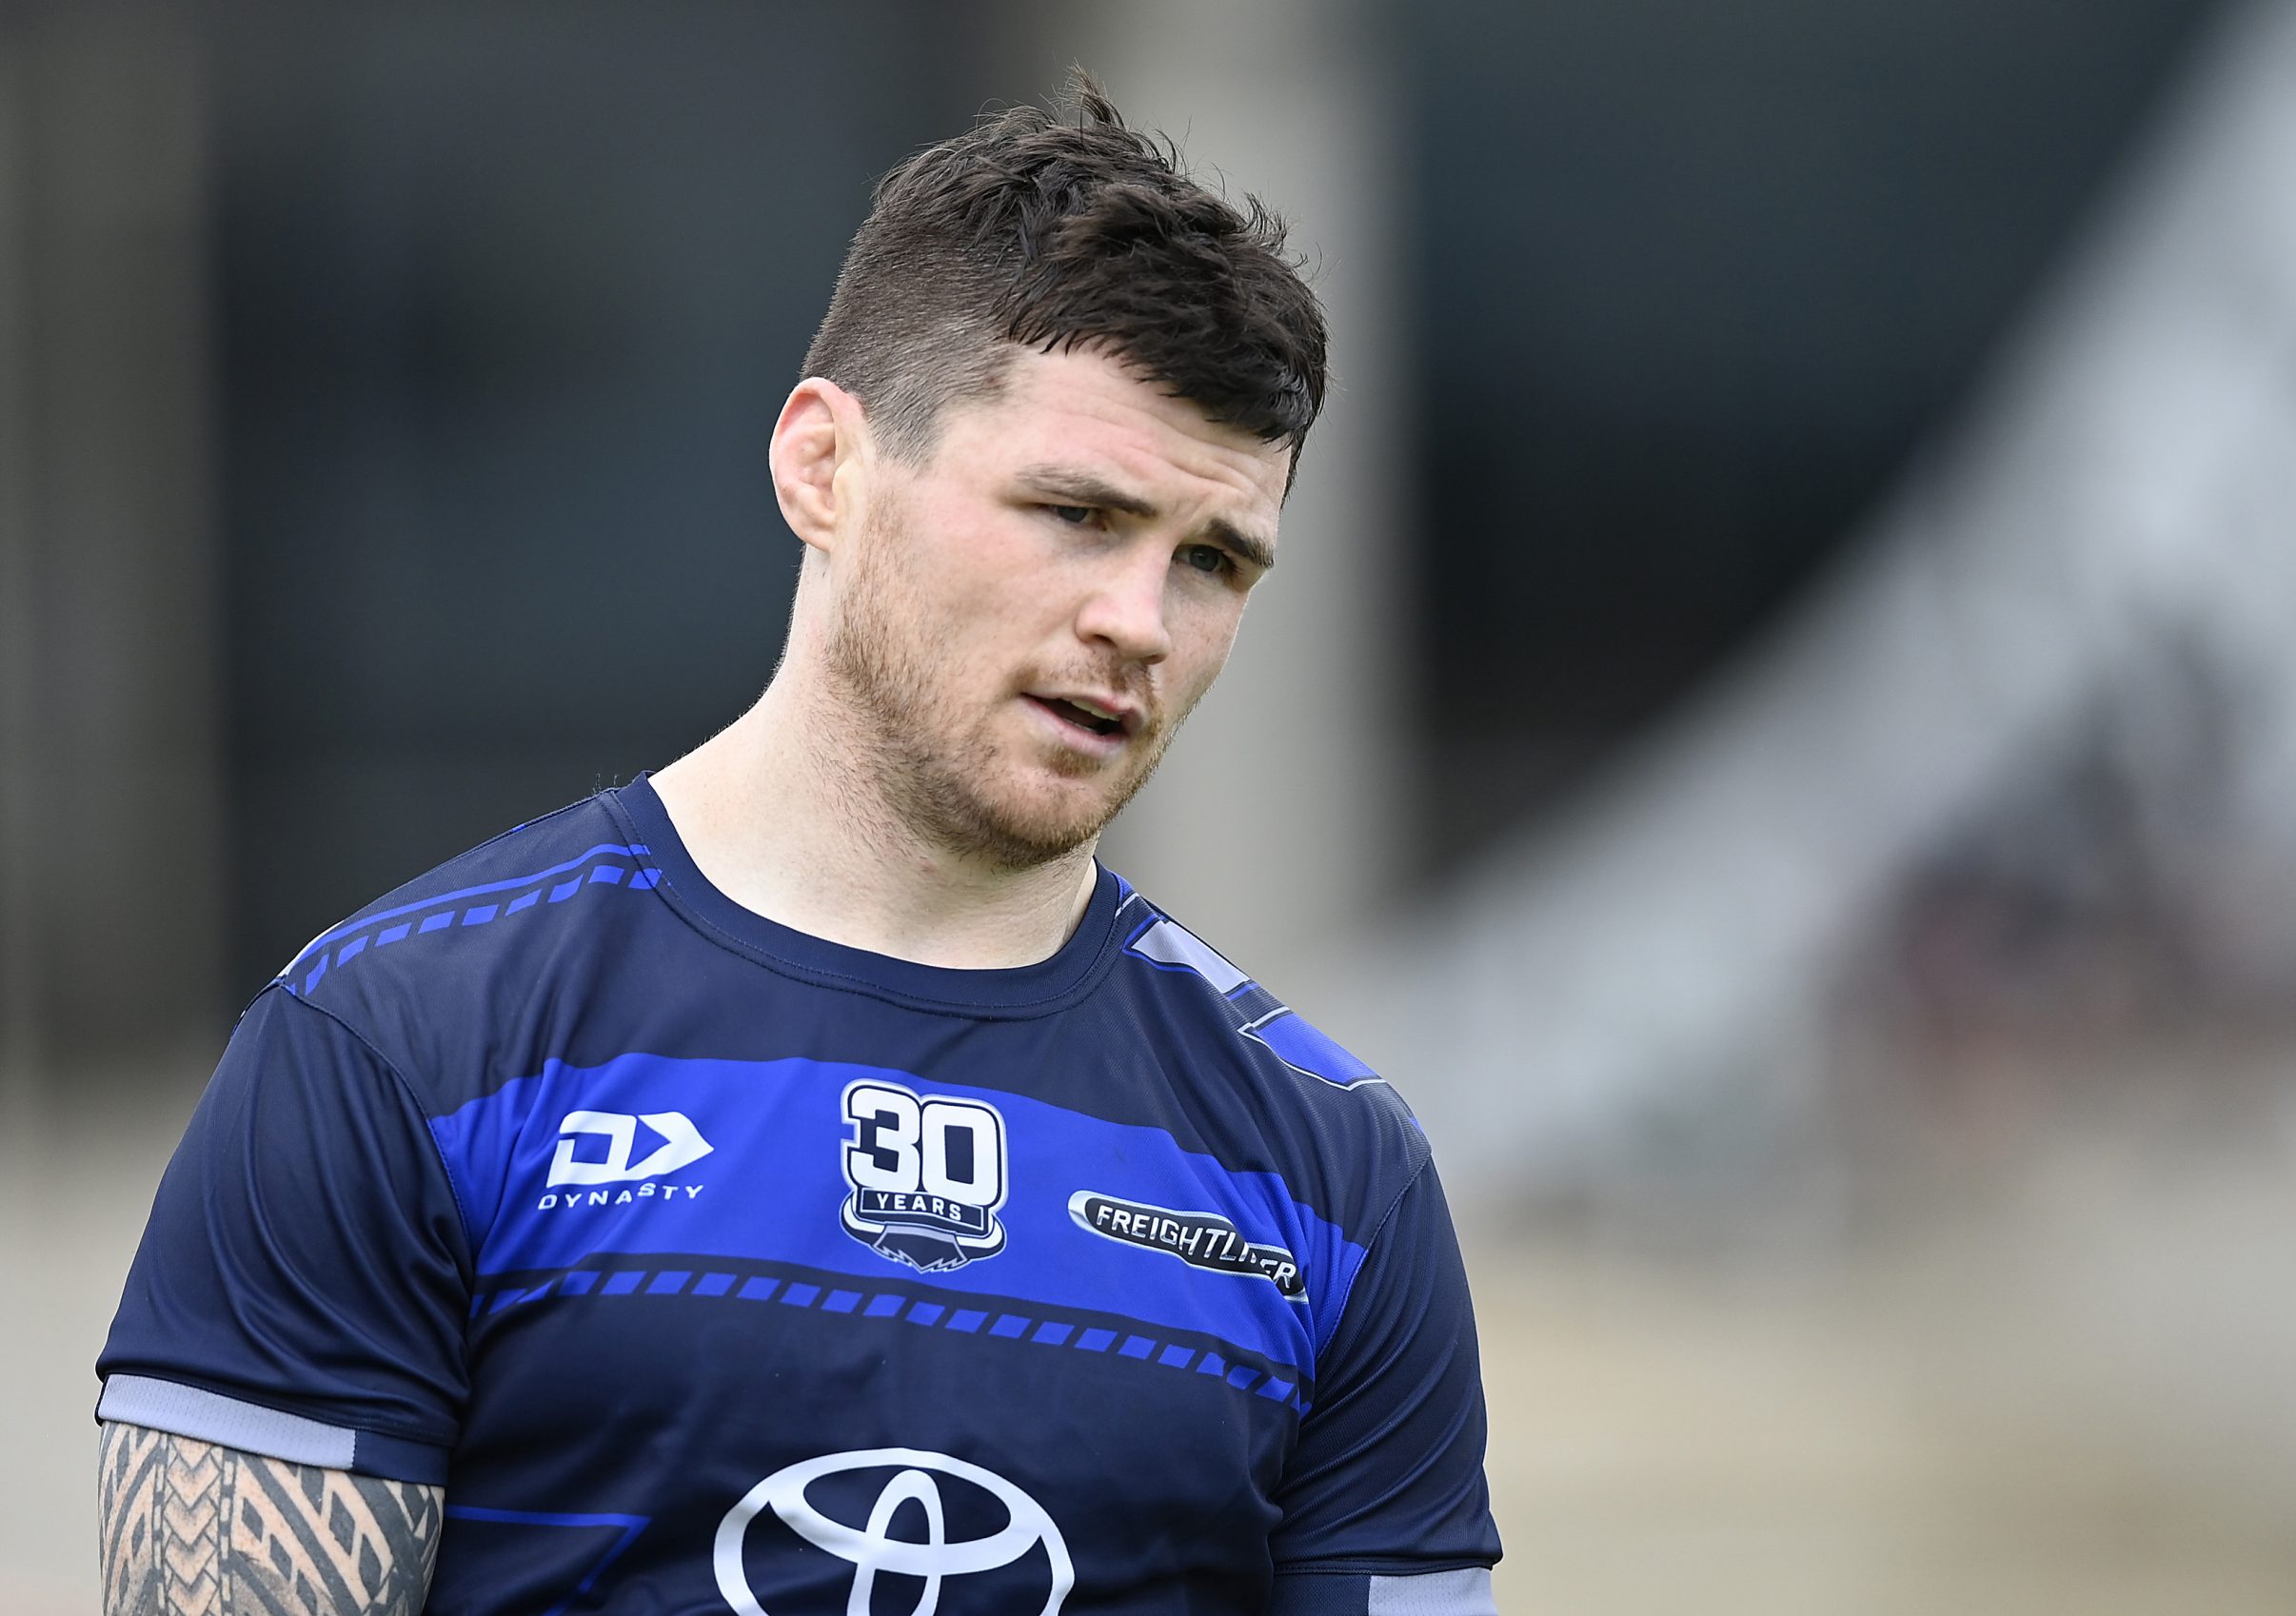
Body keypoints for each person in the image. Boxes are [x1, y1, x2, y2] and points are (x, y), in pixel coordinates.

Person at [96, 77, 1499, 1616]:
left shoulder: (1331, 1175)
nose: (1139, 621)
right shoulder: (395, 1050)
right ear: (823, 467)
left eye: (1214, 559)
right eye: (1076, 513)